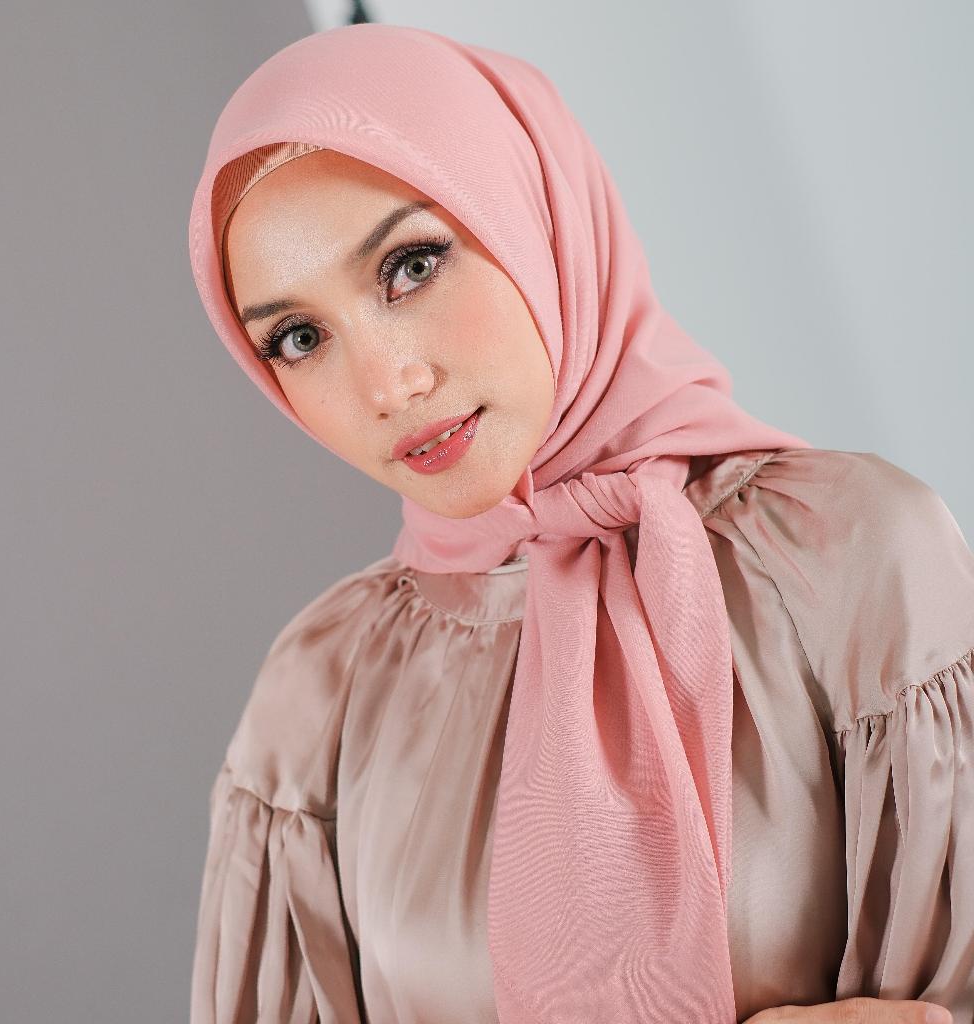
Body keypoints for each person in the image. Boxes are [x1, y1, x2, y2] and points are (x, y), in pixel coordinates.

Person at [186, 23, 973, 1024]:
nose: (387, 385)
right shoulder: (319, 698)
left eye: (411, 266)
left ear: (539, 216)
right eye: (300, 337)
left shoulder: (850, 559)